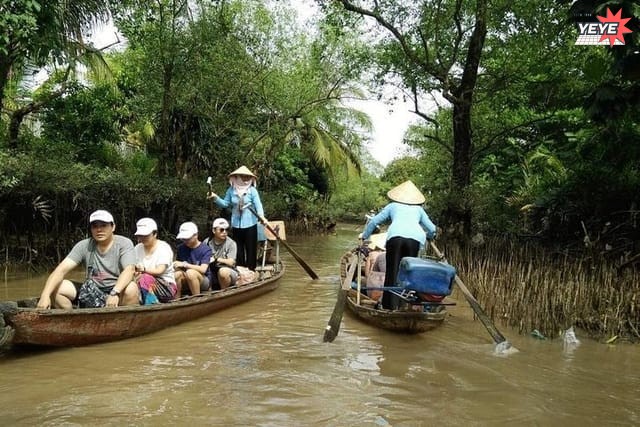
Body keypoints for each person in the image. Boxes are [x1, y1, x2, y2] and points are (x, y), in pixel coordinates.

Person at [36, 210, 139, 309]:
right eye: (95, 226)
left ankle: (121, 322)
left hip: (117, 289)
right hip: (92, 290)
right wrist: (45, 296)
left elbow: (129, 270)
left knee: (131, 288)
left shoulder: (124, 243)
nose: (99, 230)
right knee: (58, 287)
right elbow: (60, 270)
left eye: (103, 225)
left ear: (113, 227)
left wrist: (115, 292)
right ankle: (71, 319)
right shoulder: (83, 245)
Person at [361, 180, 437, 310]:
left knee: (392, 272)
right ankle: (405, 306)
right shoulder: (419, 209)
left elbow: (374, 221)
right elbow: (432, 229)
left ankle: (388, 306)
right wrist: (430, 237)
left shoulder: (392, 206)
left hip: (395, 239)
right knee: (408, 274)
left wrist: (364, 236)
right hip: (414, 241)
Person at [207, 165, 267, 270]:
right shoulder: (231, 190)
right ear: (237, 177)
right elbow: (225, 203)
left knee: (251, 249)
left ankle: (251, 271)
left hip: (250, 224)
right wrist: (215, 197)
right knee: (238, 250)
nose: (245, 179)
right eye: (243, 176)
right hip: (236, 224)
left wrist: (262, 217)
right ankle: (239, 271)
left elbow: (258, 205)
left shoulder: (252, 191)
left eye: (247, 177)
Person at [133, 217, 177, 304]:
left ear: (155, 234)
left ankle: (151, 305)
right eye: (141, 235)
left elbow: (160, 270)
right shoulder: (137, 248)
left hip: (166, 287)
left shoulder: (163, 247)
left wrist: (143, 270)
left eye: (146, 235)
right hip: (142, 283)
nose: (143, 238)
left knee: (145, 277)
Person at [173, 221, 212, 297]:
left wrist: (185, 265)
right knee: (177, 274)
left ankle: (196, 298)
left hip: (203, 279)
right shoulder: (181, 248)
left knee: (191, 273)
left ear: (196, 235)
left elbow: (203, 269)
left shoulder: (205, 249)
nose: (185, 240)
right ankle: (176, 299)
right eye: (183, 239)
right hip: (186, 276)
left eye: (187, 238)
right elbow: (179, 266)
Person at [203, 218, 238, 290]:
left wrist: (216, 259)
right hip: (211, 271)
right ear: (214, 231)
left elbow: (231, 262)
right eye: (221, 230)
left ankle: (223, 293)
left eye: (226, 229)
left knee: (223, 272)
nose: (224, 232)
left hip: (229, 271)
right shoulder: (206, 242)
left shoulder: (231, 243)